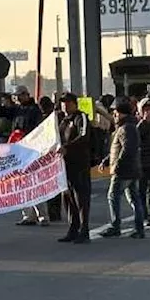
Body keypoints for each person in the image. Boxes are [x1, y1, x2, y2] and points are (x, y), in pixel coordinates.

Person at [0, 86, 45, 225]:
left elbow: (39, 130)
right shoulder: (17, 110)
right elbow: (3, 111)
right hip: (19, 151)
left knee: (34, 182)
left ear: (25, 95)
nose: (17, 99)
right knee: (21, 184)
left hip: (31, 150)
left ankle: (42, 215)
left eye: (19, 96)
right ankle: (28, 216)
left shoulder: (34, 111)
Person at [101, 97, 145, 239]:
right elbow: (118, 148)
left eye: (115, 112)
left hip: (124, 170)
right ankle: (139, 229)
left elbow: (128, 149)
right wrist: (107, 161)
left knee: (113, 196)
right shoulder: (126, 127)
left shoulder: (127, 128)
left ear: (121, 113)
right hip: (131, 169)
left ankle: (115, 226)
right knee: (134, 198)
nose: (114, 115)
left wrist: (118, 165)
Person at [57, 93, 92, 244]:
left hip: (79, 164)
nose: (65, 105)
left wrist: (67, 148)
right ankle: (73, 228)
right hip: (65, 165)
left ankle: (84, 231)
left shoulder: (80, 117)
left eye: (68, 102)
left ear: (74, 103)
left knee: (81, 199)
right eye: (63, 103)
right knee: (68, 197)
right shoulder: (62, 121)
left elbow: (84, 136)